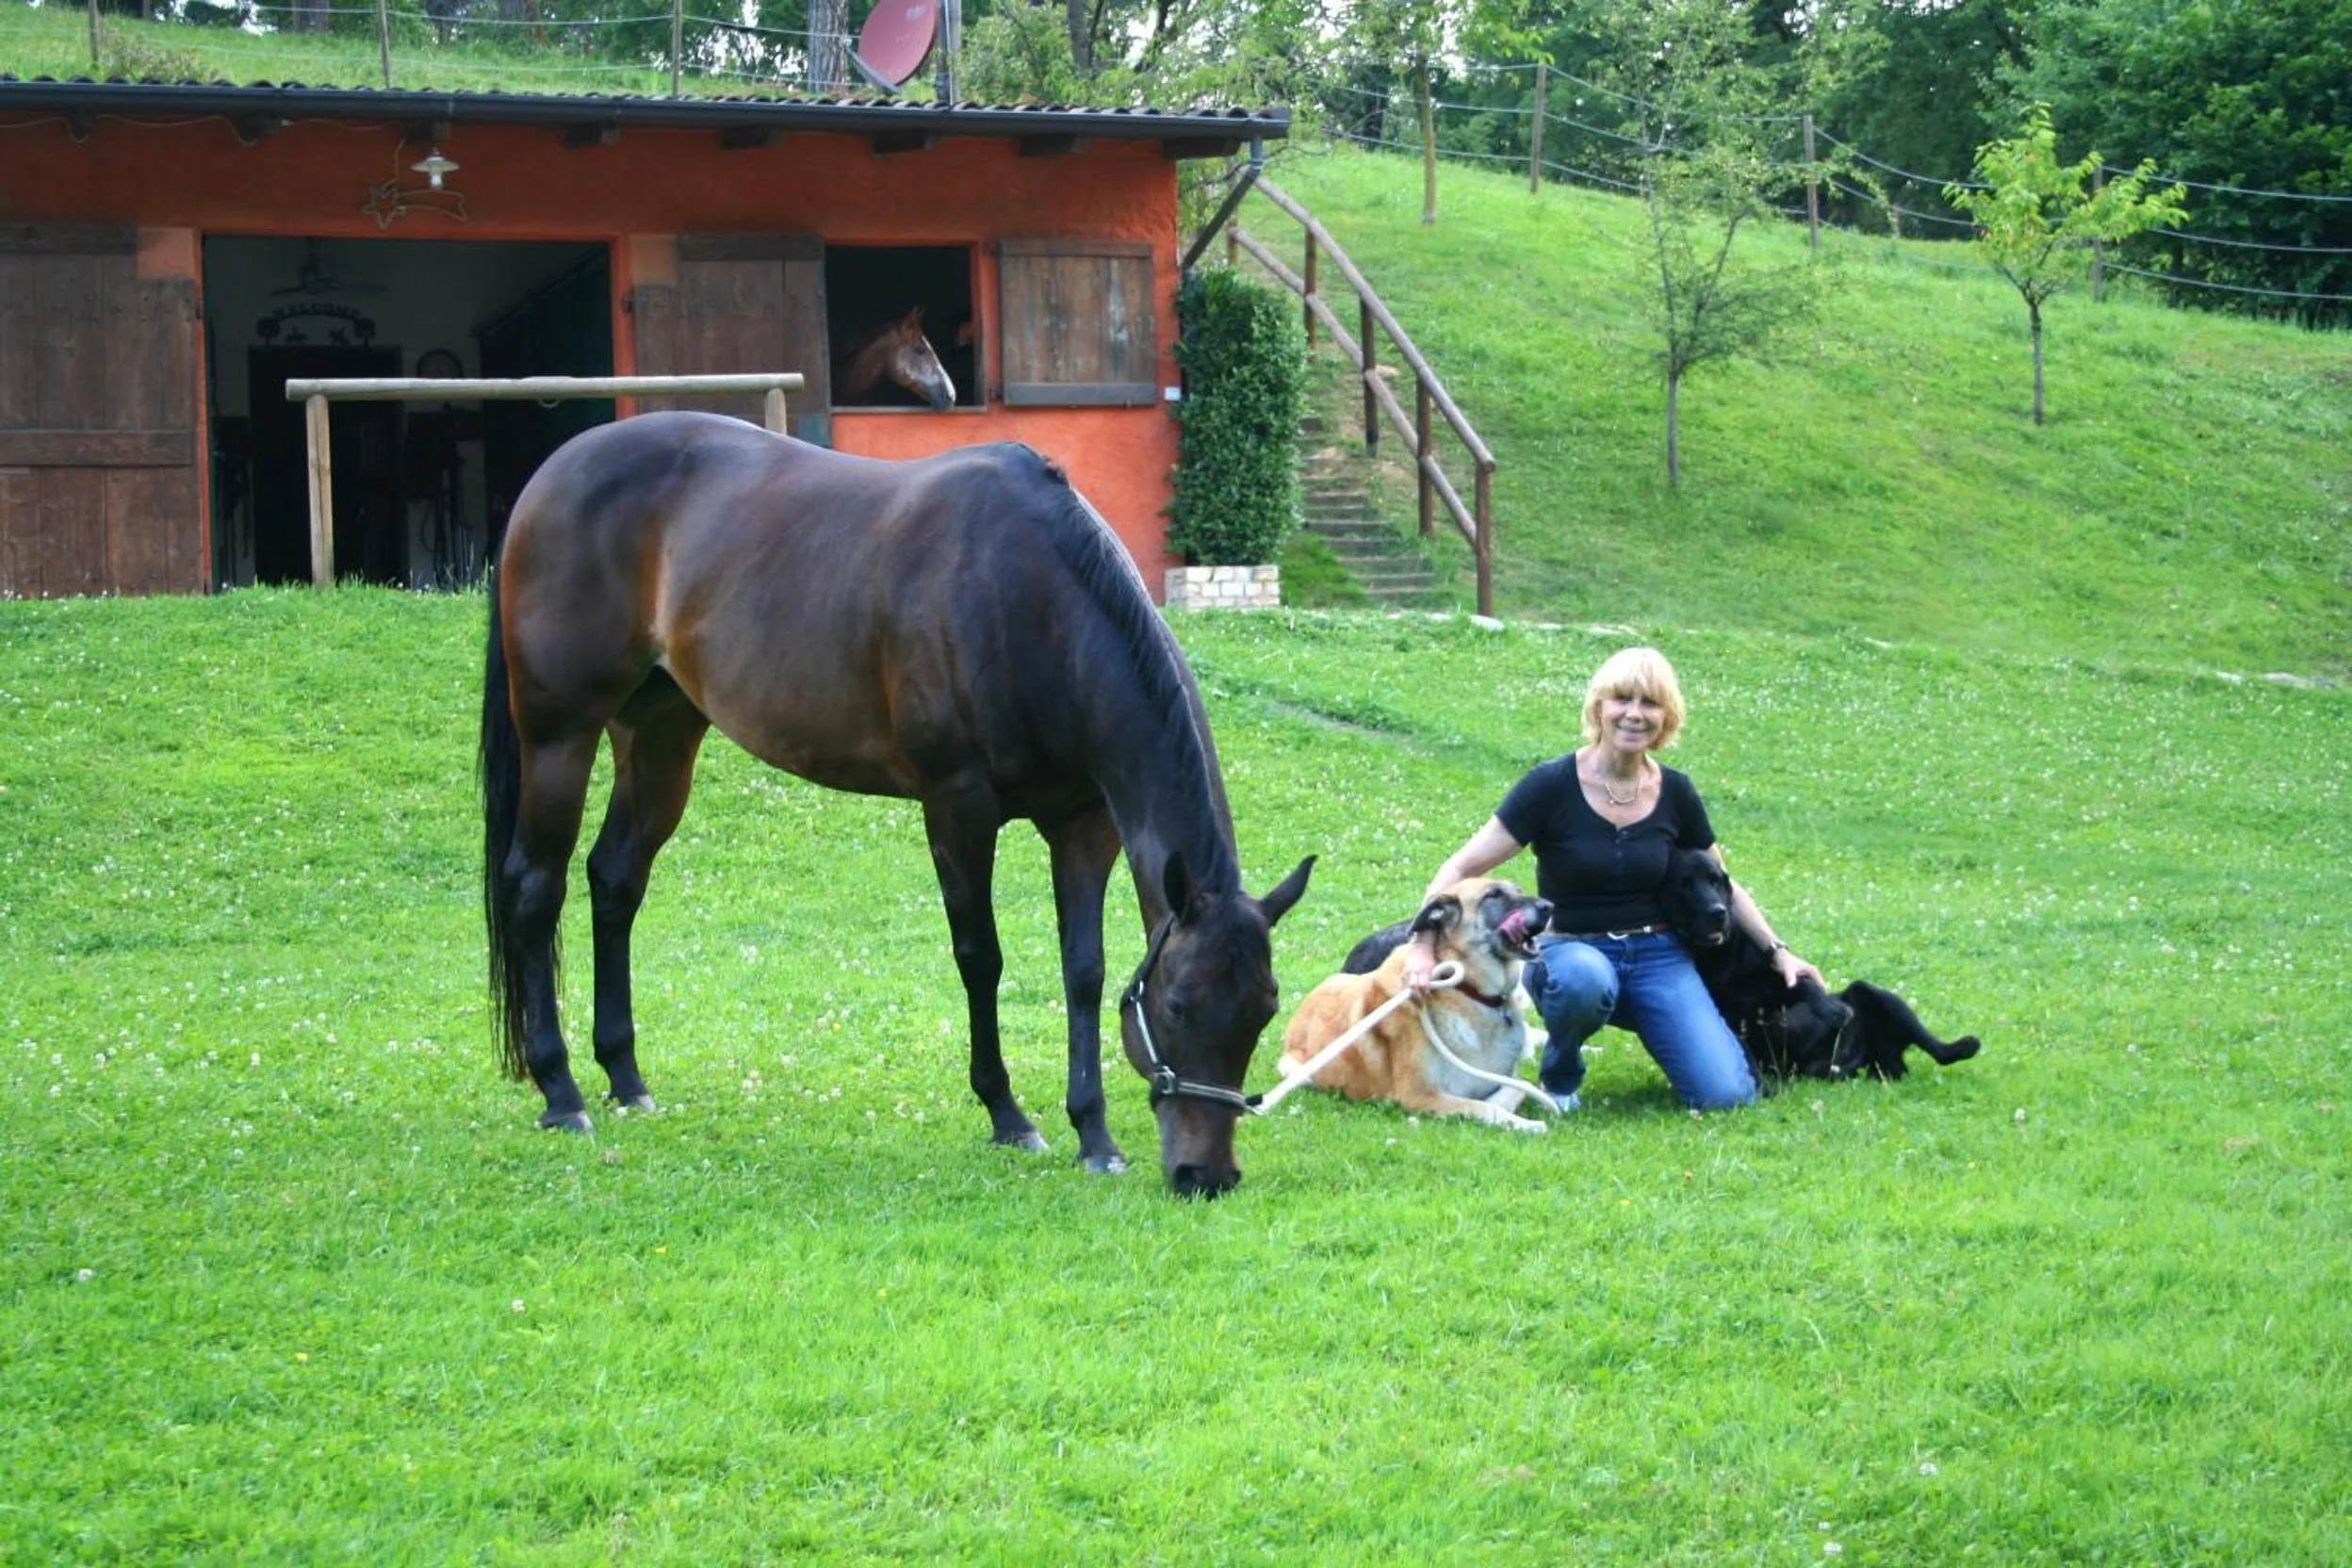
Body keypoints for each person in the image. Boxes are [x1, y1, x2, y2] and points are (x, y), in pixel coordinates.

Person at [1403, 645, 1820, 1112]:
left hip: (1657, 957)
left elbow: (1721, 881)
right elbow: (1459, 869)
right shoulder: (1550, 785)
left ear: (1667, 717)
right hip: (1572, 955)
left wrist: (1778, 952)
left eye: (1650, 703)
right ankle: (1561, 1074)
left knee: (1724, 1095)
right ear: (1599, 706)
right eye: (1622, 699)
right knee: (1585, 980)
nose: (1634, 714)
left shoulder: (1676, 792)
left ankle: (1662, 1020)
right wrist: (1421, 946)